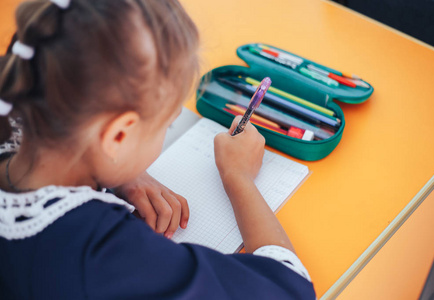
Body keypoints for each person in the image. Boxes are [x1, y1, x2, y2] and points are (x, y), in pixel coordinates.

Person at [0, 0, 316, 299]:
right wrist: (238, 176)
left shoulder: (18, 86)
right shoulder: (102, 254)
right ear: (118, 136)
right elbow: (289, 288)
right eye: (166, 126)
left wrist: (113, 171)